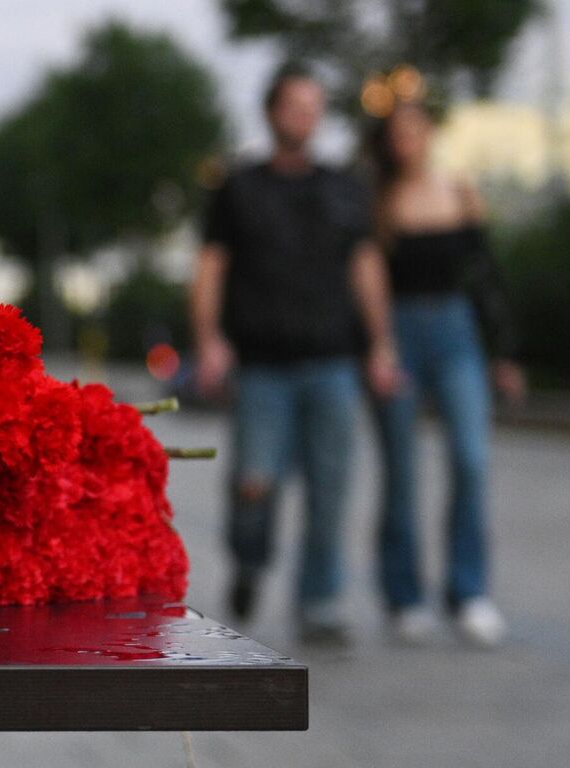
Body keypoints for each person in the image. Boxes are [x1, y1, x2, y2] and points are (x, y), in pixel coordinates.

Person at [190, 63, 401, 646]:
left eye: (314, 107)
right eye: (294, 106)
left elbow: (365, 265)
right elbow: (211, 267)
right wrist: (210, 340)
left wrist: (381, 345)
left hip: (332, 362)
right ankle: (250, 561)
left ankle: (320, 602)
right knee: (253, 486)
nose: (304, 117)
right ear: (271, 112)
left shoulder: (343, 187)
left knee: (331, 489)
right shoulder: (238, 187)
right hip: (262, 366)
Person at [364, 100, 521, 647]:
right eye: (396, 133)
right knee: (401, 471)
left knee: (472, 461)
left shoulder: (459, 191)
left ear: (430, 132)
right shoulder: (379, 201)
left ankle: (469, 591)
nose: (406, 140)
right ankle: (404, 596)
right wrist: (377, 346)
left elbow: (486, 276)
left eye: (415, 129)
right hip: (399, 331)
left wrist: (504, 353)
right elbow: (367, 280)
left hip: (456, 331)